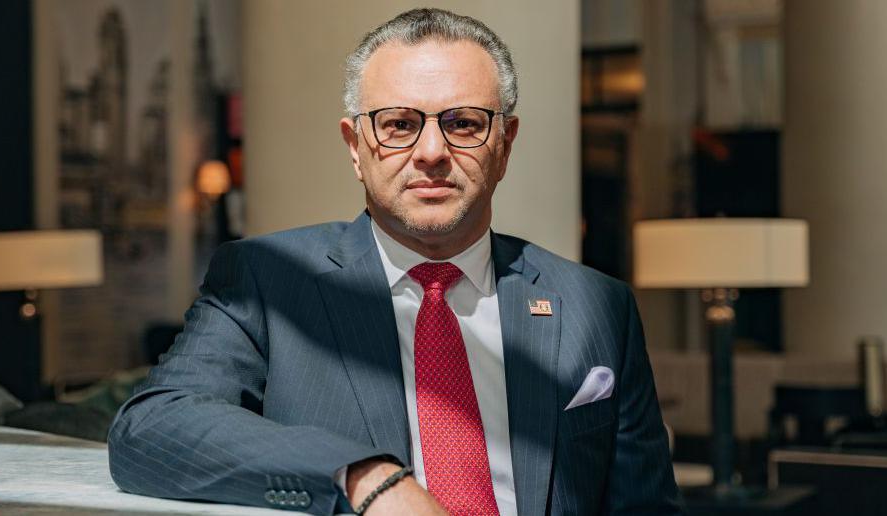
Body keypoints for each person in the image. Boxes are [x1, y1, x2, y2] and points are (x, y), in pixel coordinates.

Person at [108, 8, 681, 516]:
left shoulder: (596, 306)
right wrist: (365, 476)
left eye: (463, 123)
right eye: (399, 125)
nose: (431, 152)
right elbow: (151, 429)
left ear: (504, 144)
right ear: (356, 147)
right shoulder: (265, 279)